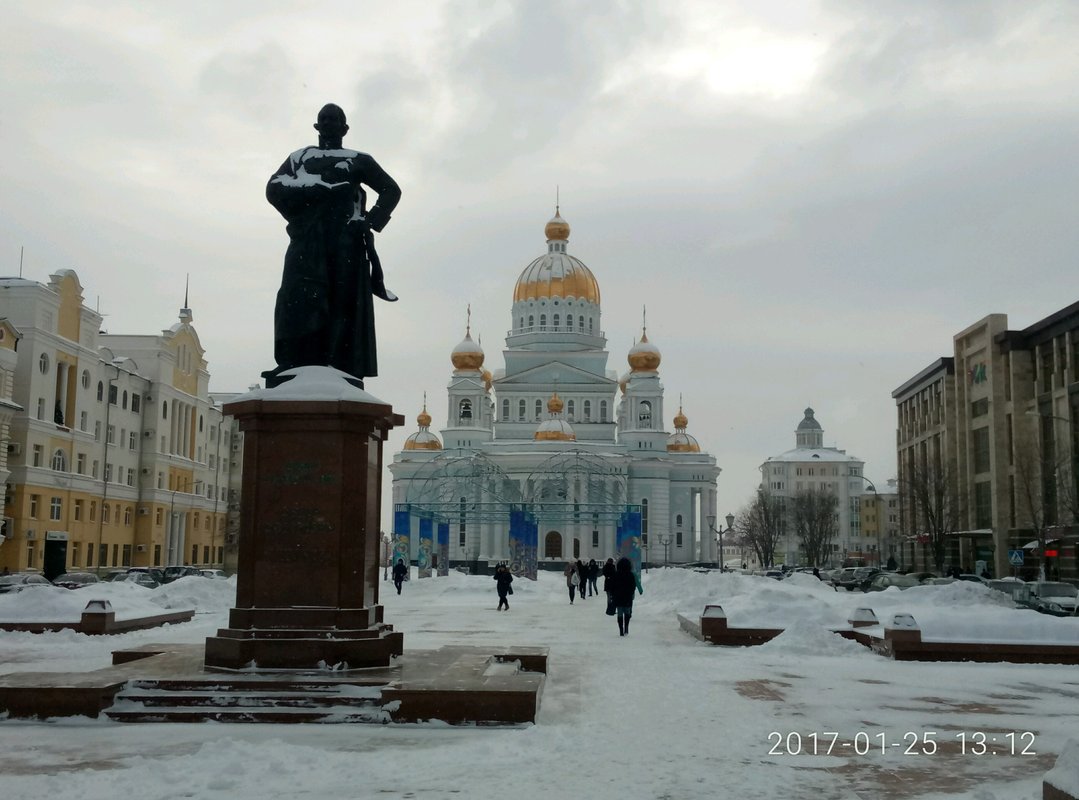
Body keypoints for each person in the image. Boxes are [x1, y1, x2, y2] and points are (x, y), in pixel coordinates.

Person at [265, 103, 402, 387]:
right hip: (307, 241)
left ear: (344, 128)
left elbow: (391, 189)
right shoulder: (300, 157)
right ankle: (294, 359)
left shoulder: (357, 160)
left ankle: (339, 361)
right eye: (323, 119)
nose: (327, 124)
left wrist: (370, 221)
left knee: (343, 301)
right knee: (297, 295)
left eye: (333, 120)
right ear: (317, 126)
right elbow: (274, 188)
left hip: (345, 244)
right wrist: (314, 190)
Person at [609, 557, 643, 636]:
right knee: (627, 612)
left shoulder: (616, 574)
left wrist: (612, 594)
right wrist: (631, 593)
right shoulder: (630, 574)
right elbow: (633, 585)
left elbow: (612, 586)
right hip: (627, 596)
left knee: (620, 613)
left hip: (618, 596)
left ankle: (621, 629)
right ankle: (626, 627)